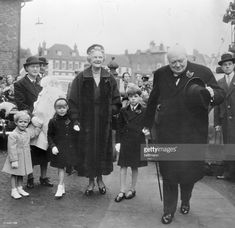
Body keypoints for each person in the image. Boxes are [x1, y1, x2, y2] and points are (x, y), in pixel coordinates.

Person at [143, 45, 225, 224]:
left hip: (193, 133)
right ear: (168, 62)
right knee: (169, 173)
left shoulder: (202, 71)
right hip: (168, 132)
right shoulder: (161, 74)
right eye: (173, 63)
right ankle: (168, 211)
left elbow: (220, 94)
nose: (178, 65)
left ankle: (186, 200)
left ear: (186, 57)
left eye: (181, 61)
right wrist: (147, 125)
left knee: (190, 173)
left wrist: (212, 94)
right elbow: (152, 101)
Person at [68, 44, 121, 196]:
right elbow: (73, 100)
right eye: (94, 57)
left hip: (104, 122)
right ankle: (91, 182)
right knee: (89, 151)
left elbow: (117, 100)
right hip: (87, 122)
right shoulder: (81, 77)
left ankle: (100, 180)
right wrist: (76, 119)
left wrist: (109, 111)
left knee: (101, 151)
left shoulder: (108, 77)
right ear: (89, 59)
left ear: (103, 59)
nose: (97, 60)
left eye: (100, 57)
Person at [14, 56, 53, 188]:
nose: (36, 68)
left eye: (37, 66)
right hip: (30, 120)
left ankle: (43, 177)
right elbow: (20, 103)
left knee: (44, 148)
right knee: (31, 150)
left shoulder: (42, 83)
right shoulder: (20, 84)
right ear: (26, 68)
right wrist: (33, 115)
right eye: (32, 66)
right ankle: (30, 177)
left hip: (44, 120)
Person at [114, 84, 147, 203]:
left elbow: (149, 123)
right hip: (126, 140)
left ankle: (132, 189)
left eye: (136, 96)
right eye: (131, 96)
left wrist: (146, 130)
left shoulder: (144, 110)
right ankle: (122, 190)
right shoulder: (123, 111)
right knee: (123, 166)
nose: (133, 98)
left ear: (139, 97)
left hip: (137, 141)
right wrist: (118, 142)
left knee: (134, 166)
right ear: (128, 97)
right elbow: (119, 127)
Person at [2, 111, 42, 199]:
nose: (23, 124)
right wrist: (14, 160)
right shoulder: (13, 135)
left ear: (28, 123)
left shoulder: (27, 132)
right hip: (16, 157)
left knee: (21, 173)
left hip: (25, 157)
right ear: (16, 122)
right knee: (14, 174)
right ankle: (14, 190)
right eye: (20, 122)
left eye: (25, 122)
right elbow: (11, 148)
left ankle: (19, 188)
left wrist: (38, 127)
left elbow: (34, 134)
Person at [47, 98, 79, 198]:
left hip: (69, 148)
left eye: (64, 108)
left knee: (65, 167)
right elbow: (50, 135)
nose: (61, 110)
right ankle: (60, 186)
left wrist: (76, 127)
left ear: (67, 108)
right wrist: (52, 146)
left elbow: (76, 127)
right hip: (59, 148)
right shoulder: (53, 121)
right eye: (59, 108)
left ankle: (62, 185)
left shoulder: (71, 120)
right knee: (60, 167)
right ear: (55, 109)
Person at [214, 53, 235, 180]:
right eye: (224, 65)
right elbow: (216, 103)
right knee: (228, 145)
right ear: (221, 67)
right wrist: (217, 122)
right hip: (226, 120)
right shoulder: (219, 83)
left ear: (233, 65)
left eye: (229, 64)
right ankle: (229, 173)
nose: (227, 67)